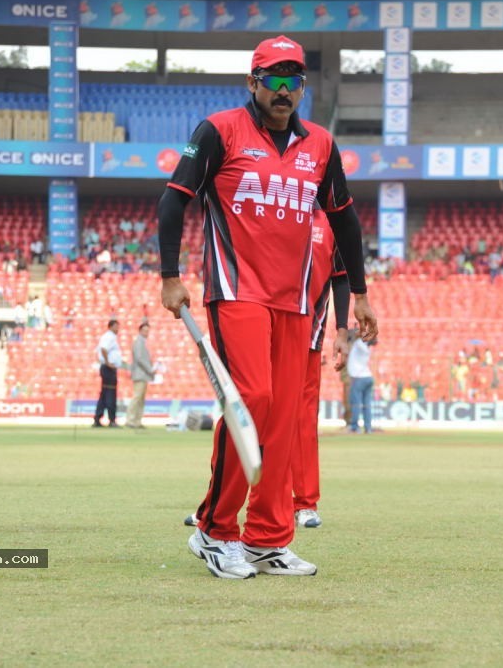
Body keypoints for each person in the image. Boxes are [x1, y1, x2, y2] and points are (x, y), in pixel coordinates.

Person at [158, 34, 378, 579]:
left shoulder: (321, 145)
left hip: (298, 299)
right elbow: (173, 200)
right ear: (252, 83)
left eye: (294, 80)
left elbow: (345, 219)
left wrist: (364, 294)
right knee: (251, 398)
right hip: (236, 291)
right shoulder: (219, 130)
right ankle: (214, 530)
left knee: (283, 419)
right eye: (273, 79)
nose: (284, 90)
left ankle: (267, 539)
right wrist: (169, 275)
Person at [292, 209, 350, 529]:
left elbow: (340, 278)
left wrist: (341, 331)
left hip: (308, 338)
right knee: (247, 413)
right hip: (265, 332)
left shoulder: (330, 223)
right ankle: (219, 506)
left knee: (302, 421)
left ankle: (304, 503)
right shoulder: (274, 206)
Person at [93, 319, 123, 428]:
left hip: (106, 367)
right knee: (110, 394)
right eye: (116, 326)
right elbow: (103, 349)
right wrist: (108, 363)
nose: (118, 329)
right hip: (108, 368)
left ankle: (98, 417)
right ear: (110, 326)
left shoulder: (109, 337)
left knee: (105, 394)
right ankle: (111, 419)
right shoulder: (109, 337)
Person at [126, 322, 155, 429]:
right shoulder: (138, 342)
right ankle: (130, 420)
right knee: (137, 397)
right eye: (145, 330)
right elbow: (139, 359)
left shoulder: (142, 342)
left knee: (140, 399)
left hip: (143, 374)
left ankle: (137, 421)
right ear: (140, 331)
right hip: (140, 374)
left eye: (148, 331)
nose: (147, 333)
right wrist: (150, 370)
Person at [347, 335, 377, 433]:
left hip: (359, 377)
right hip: (368, 377)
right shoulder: (367, 349)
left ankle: (355, 427)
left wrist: (355, 334)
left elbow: (355, 338)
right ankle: (368, 428)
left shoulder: (359, 343)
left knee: (356, 404)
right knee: (366, 404)